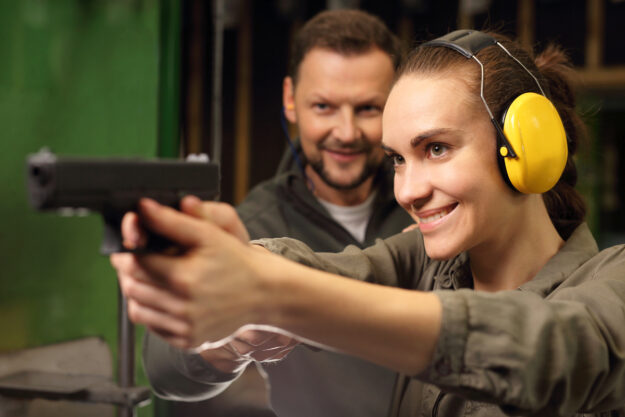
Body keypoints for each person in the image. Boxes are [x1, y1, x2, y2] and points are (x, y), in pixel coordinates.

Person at [111, 29, 625, 417]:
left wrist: (273, 292)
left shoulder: (613, 280)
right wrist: (225, 284)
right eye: (398, 159)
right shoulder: (420, 261)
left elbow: (554, 347)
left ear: (529, 145)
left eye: (437, 148)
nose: (408, 190)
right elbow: (170, 364)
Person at [147, 9, 412, 417]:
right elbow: (165, 368)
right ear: (290, 100)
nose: (345, 132)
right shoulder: (257, 225)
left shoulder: (430, 208)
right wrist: (229, 345)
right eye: (324, 106)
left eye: (367, 109)